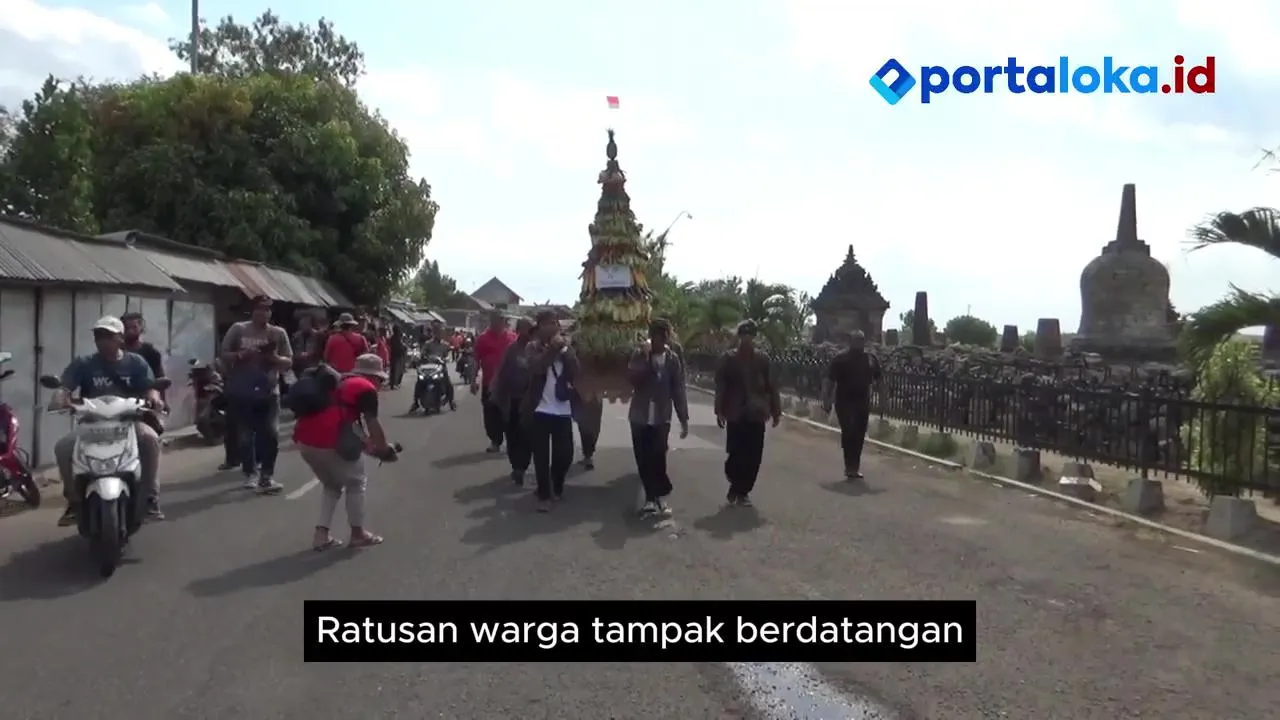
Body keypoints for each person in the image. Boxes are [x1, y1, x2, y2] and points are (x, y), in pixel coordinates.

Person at [52, 316, 165, 525]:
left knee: (150, 439)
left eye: (107, 336)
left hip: (129, 422)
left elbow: (150, 387)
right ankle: (73, 502)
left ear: (120, 338)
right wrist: (60, 397)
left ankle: (150, 499)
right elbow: (65, 387)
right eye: (98, 336)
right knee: (63, 447)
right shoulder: (84, 363)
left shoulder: (136, 363)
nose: (102, 340)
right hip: (91, 424)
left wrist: (154, 398)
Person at [293, 354, 397, 550]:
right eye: (380, 379)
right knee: (356, 483)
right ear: (373, 376)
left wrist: (372, 446)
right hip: (329, 440)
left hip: (304, 440)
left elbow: (351, 427)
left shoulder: (339, 382)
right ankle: (358, 534)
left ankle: (321, 535)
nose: (380, 384)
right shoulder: (365, 388)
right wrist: (383, 449)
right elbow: (372, 423)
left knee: (332, 485)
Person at [219, 295, 292, 493]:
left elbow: (289, 361)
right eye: (260, 308)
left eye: (268, 309)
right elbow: (223, 354)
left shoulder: (278, 333)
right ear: (253, 310)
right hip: (241, 392)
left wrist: (274, 358)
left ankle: (267, 476)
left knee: (271, 434)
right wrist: (241, 355)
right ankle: (250, 474)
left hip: (269, 392)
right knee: (245, 436)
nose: (264, 312)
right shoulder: (238, 329)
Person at [713, 320, 781, 507]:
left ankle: (742, 492)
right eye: (744, 335)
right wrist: (719, 411)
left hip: (756, 413)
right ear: (739, 337)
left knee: (753, 455)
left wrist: (776, 411)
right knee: (735, 453)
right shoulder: (728, 359)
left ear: (754, 337)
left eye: (750, 336)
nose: (747, 339)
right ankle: (735, 483)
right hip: (735, 413)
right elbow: (721, 386)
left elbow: (771, 386)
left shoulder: (763, 360)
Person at [627, 318, 690, 516]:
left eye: (664, 337)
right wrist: (646, 359)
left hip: (662, 417)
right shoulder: (639, 355)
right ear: (651, 336)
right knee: (643, 458)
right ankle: (650, 499)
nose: (661, 341)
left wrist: (683, 419)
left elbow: (678, 389)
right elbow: (633, 380)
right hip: (640, 416)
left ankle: (659, 496)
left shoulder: (672, 360)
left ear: (668, 337)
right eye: (657, 336)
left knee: (658, 456)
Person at [521, 310, 578, 512]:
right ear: (540, 327)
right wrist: (552, 350)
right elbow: (537, 368)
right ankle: (544, 494)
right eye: (547, 323)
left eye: (554, 323)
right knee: (541, 456)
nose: (552, 326)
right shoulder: (532, 347)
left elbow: (575, 370)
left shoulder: (566, 347)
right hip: (540, 408)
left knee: (565, 454)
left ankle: (557, 485)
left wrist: (566, 350)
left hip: (563, 409)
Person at [822, 331, 882, 480]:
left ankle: (854, 467)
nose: (859, 343)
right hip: (844, 402)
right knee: (849, 431)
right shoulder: (841, 359)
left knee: (859, 434)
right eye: (856, 340)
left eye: (861, 340)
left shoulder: (870, 359)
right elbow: (829, 380)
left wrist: (883, 400)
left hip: (862, 402)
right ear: (851, 341)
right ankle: (849, 465)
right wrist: (826, 399)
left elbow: (879, 380)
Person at [488, 317, 534, 486]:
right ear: (519, 330)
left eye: (530, 328)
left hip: (530, 402)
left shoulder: (536, 349)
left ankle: (523, 465)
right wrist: (496, 390)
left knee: (527, 436)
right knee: (513, 435)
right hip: (513, 400)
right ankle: (517, 467)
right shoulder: (512, 350)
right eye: (525, 328)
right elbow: (502, 372)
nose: (528, 332)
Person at [473, 311, 515, 453]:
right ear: (491, 322)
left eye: (501, 320)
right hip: (489, 383)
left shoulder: (512, 337)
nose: (498, 323)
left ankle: (511, 441)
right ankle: (495, 441)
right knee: (490, 414)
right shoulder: (483, 338)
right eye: (496, 320)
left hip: (508, 384)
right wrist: (474, 380)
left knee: (509, 414)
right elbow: (476, 360)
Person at [412, 319, 455, 412]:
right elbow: (421, 353)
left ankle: (451, 402)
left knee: (448, 384)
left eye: (439, 332)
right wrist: (418, 357)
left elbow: (449, 355)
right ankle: (415, 403)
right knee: (419, 383)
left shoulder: (445, 345)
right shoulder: (428, 344)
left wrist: (446, 359)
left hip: (440, 368)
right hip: (428, 368)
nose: (438, 334)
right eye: (436, 332)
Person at [388, 325, 407, 390]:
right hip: (397, 356)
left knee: (394, 370)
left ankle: (393, 383)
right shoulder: (396, 338)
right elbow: (400, 347)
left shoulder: (394, 338)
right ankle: (394, 383)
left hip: (395, 355)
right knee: (397, 370)